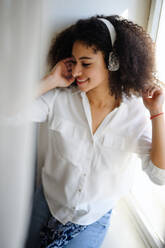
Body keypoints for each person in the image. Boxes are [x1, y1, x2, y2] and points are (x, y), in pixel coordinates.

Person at [25, 15, 165, 248]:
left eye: (86, 63)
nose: (77, 72)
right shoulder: (60, 98)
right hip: (46, 204)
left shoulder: (136, 112)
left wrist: (157, 114)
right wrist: (50, 79)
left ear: (113, 62)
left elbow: (159, 175)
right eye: (74, 61)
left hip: (91, 221)